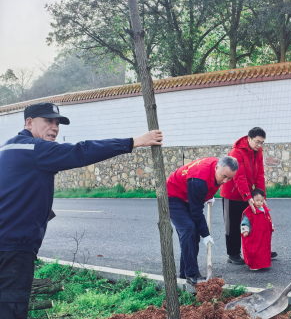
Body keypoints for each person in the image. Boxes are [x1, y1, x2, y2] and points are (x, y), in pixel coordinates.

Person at [0, 102, 163, 319]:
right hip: (14, 249)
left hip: (6, 243)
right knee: (11, 310)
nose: (54, 127)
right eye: (48, 121)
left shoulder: (7, 148)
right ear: (29, 123)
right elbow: (81, 151)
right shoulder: (36, 149)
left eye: (57, 123)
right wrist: (134, 142)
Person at [167, 156, 239, 285]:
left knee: (193, 234)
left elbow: (209, 185)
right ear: (216, 167)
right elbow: (196, 211)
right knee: (188, 229)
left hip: (188, 193)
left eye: (229, 178)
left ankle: (184, 273)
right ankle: (192, 273)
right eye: (224, 176)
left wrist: (208, 195)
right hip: (173, 195)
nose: (225, 181)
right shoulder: (199, 180)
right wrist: (206, 235)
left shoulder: (218, 168)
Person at [221, 127, 276, 264]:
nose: (259, 145)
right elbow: (239, 177)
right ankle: (233, 254)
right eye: (257, 142)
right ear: (249, 138)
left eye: (262, 142)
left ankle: (259, 251)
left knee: (255, 222)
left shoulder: (258, 152)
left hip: (248, 193)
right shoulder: (236, 152)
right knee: (233, 225)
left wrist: (261, 197)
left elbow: (260, 175)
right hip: (232, 194)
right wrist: (248, 196)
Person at [241, 188, 275, 270]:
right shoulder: (249, 211)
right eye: (257, 200)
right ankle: (254, 265)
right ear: (252, 200)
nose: (259, 202)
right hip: (254, 234)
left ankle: (263, 264)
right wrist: (245, 230)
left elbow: (268, 219)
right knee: (254, 249)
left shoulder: (264, 210)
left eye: (261, 200)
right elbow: (245, 221)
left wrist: (271, 226)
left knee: (263, 249)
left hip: (263, 233)